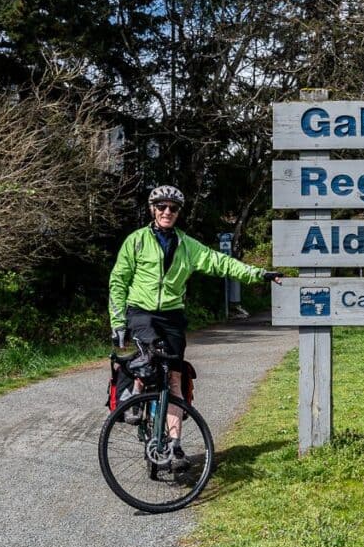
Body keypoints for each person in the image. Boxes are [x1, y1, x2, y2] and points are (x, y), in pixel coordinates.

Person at [108, 185, 282, 459]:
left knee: (175, 378)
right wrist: (118, 323)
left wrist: (258, 274)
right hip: (141, 311)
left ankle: (175, 445)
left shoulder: (187, 245)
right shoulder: (137, 240)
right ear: (153, 209)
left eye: (173, 208)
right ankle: (134, 397)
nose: (167, 212)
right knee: (150, 355)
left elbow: (220, 262)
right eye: (162, 207)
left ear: (178, 213)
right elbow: (119, 281)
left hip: (173, 315)